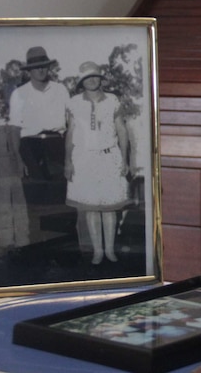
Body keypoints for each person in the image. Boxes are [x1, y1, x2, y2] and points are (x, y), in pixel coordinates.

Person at [64, 61, 131, 265]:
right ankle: (98, 251)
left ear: (101, 79)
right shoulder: (74, 103)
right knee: (91, 207)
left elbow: (122, 131)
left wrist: (125, 159)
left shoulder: (112, 100)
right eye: (87, 78)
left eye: (95, 77)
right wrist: (68, 161)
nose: (92, 81)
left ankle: (110, 250)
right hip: (84, 159)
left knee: (109, 207)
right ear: (81, 82)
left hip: (109, 157)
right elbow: (70, 134)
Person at [9, 46, 70, 241]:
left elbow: (71, 124)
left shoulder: (61, 90)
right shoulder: (19, 94)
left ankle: (64, 251)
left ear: (48, 68)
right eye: (36, 67)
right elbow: (14, 130)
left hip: (56, 145)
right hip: (31, 147)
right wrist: (19, 160)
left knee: (61, 198)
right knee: (36, 200)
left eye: (44, 66)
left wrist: (70, 156)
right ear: (29, 71)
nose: (41, 70)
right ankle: (40, 250)